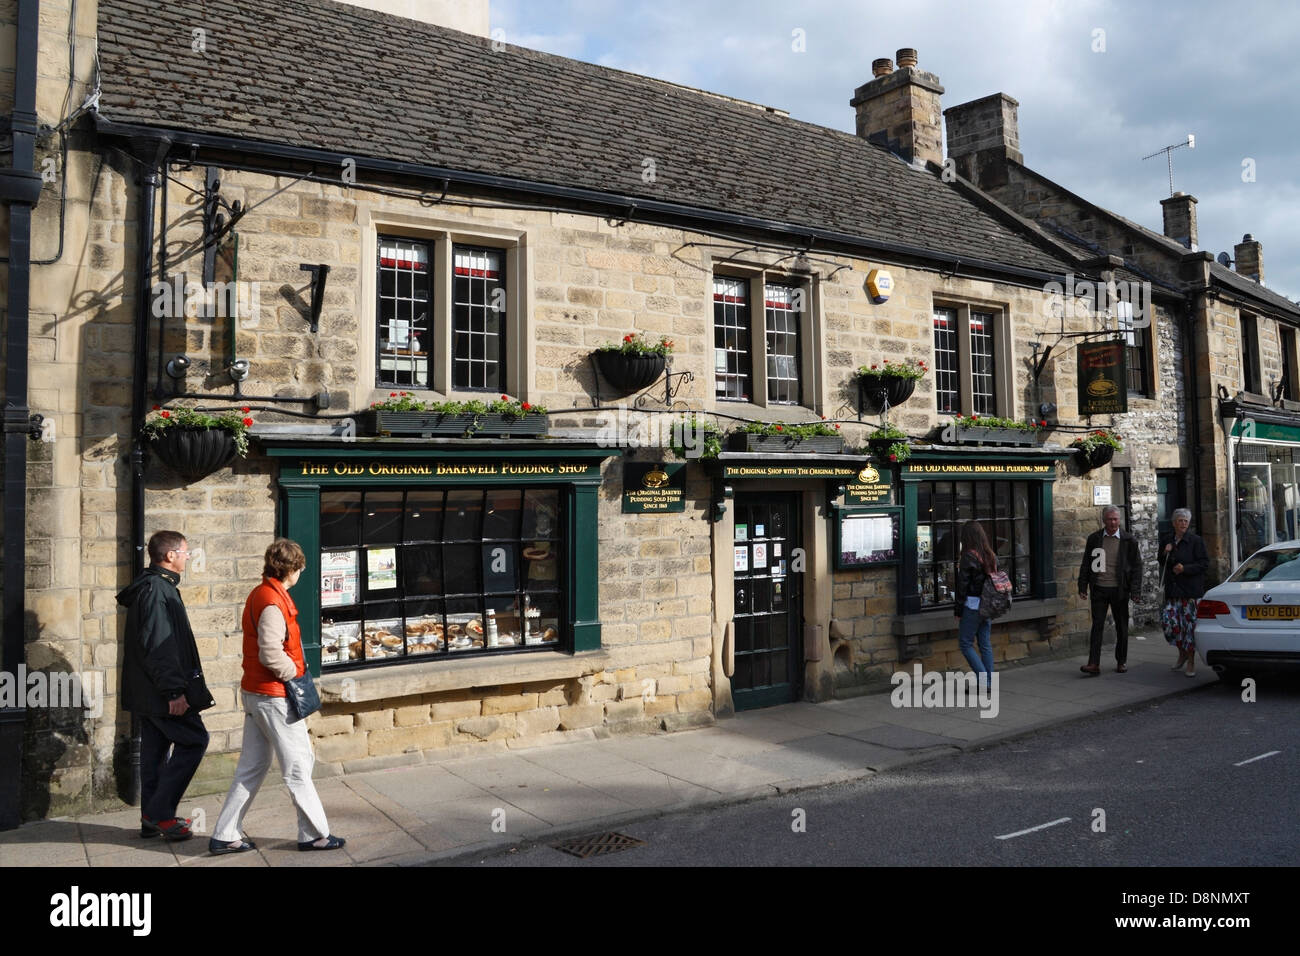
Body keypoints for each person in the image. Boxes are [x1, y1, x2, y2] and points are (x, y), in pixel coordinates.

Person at [210, 539, 345, 854]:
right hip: (274, 697)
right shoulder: (272, 601)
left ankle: (225, 833)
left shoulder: (263, 594)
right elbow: (270, 652)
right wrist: (295, 674)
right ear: (293, 568)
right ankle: (315, 834)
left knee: (253, 766)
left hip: (258, 694)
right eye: (300, 567)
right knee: (299, 764)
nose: (301, 573)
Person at [118, 530, 210, 840]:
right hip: (160, 693)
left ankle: (151, 818)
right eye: (185, 552)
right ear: (170, 556)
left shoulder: (155, 587)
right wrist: (174, 692)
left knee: (155, 753)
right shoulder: (157, 591)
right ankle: (160, 813)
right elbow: (159, 645)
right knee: (195, 740)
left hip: (149, 692)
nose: (188, 556)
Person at [1077, 505, 1143, 675]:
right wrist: (1082, 586)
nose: (1113, 522)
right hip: (1099, 589)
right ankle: (1093, 663)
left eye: (1116, 519)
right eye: (1110, 519)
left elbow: (1137, 567)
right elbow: (1087, 564)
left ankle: (1121, 661)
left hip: (1120, 590)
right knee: (1097, 626)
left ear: (1119, 520)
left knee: (1121, 627)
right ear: (1104, 521)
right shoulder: (1095, 539)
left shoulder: (1129, 541)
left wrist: (1135, 591)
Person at [1158, 508, 1209, 678]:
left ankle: (1191, 661)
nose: (1183, 524)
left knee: (1189, 628)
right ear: (1174, 523)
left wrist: (1185, 568)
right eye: (1180, 521)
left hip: (1190, 592)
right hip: (1173, 591)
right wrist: (1165, 552)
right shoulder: (1167, 540)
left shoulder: (1196, 541)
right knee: (1171, 625)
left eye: (1186, 521)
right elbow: (1161, 560)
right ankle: (1182, 653)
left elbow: (1204, 564)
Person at [954, 521, 996, 688]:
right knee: (985, 644)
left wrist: (958, 610)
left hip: (972, 606)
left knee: (965, 644)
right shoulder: (990, 554)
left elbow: (962, 586)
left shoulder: (968, 557)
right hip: (988, 605)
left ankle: (984, 679)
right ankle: (989, 682)